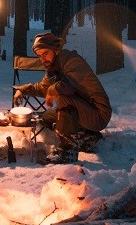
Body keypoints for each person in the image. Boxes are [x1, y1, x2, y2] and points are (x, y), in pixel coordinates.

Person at [13, 32, 112, 163]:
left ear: (56, 50)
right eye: (40, 56)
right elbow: (43, 87)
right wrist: (22, 90)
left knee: (62, 98)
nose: (43, 60)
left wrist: (52, 89)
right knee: (45, 117)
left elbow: (69, 86)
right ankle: (87, 138)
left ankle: (68, 152)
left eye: (45, 54)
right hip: (81, 109)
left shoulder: (72, 61)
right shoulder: (53, 68)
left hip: (98, 113)